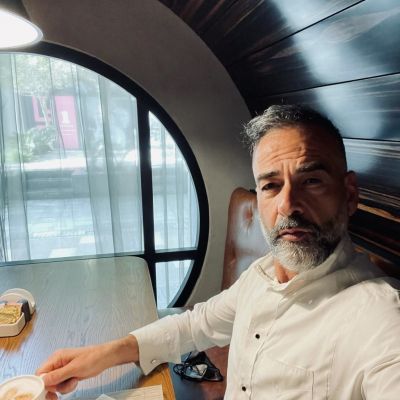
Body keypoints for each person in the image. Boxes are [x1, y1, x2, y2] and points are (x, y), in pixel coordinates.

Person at [37, 105, 400, 399]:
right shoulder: (261, 275)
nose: (288, 204)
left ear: (349, 194)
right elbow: (195, 325)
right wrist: (100, 356)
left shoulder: (379, 316)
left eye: (312, 181)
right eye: (271, 186)